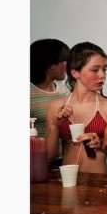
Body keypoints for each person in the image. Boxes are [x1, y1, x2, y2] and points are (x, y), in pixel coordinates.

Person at [46, 42, 107, 173]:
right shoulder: (56, 107)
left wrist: (101, 143)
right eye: (95, 70)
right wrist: (55, 126)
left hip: (100, 180)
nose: (102, 75)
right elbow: (48, 157)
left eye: (104, 69)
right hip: (67, 180)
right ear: (75, 73)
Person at [30, 38, 70, 166]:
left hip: (65, 160)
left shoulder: (64, 89)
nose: (68, 65)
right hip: (38, 161)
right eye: (65, 61)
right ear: (52, 65)